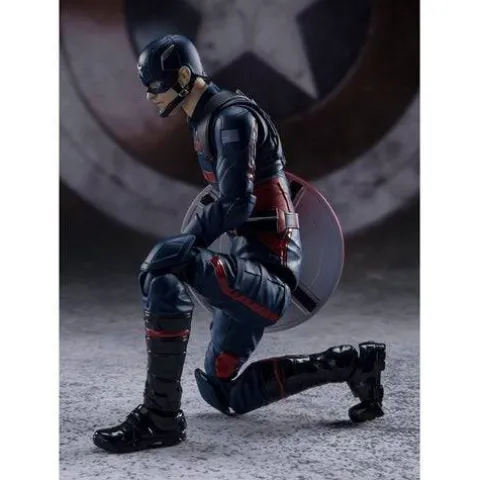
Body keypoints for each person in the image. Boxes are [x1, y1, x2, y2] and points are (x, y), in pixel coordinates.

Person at [92, 34, 386, 454]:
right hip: (248, 270)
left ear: (182, 77)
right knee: (221, 391)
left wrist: (186, 243)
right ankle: (354, 364)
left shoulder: (231, 118)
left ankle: (160, 418)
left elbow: (235, 203)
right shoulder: (205, 117)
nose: (150, 95)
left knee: (165, 269)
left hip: (272, 279)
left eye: (155, 85)